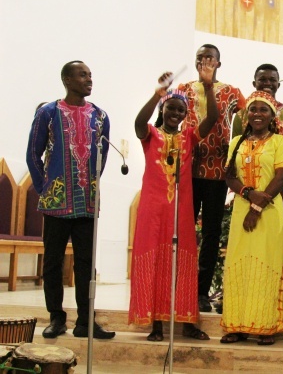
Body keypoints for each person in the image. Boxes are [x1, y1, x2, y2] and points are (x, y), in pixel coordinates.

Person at [129, 63, 219, 342]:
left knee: (182, 262)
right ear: (162, 111)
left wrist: (207, 86)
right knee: (154, 260)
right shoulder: (150, 136)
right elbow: (137, 123)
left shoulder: (189, 136)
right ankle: (155, 323)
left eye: (181, 110)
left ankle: (187, 323)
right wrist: (158, 94)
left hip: (181, 210)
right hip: (153, 209)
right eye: (171, 108)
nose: (176, 113)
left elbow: (212, 119)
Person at [26, 60, 115, 339]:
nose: (89, 79)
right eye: (82, 75)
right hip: (55, 203)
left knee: (86, 264)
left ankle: (85, 321)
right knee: (52, 262)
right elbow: (33, 153)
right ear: (66, 79)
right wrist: (46, 187)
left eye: (90, 74)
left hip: (87, 204)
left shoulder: (100, 116)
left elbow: (102, 159)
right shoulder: (48, 113)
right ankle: (56, 317)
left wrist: (90, 183)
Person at [221, 90, 283, 346]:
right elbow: (229, 175)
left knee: (265, 266)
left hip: (269, 213)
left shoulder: (279, 142)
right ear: (246, 115)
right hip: (242, 210)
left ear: (272, 115)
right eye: (253, 109)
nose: (257, 114)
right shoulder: (237, 142)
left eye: (263, 110)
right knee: (239, 264)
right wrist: (248, 194)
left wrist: (257, 207)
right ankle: (236, 324)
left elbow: (282, 174)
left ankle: (265, 326)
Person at [181, 44, 246, 313]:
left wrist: (237, 158)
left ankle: (201, 293)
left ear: (219, 63)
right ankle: (181, 289)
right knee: (184, 232)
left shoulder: (232, 92)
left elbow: (244, 125)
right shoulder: (182, 89)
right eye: (200, 58)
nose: (205, 62)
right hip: (188, 170)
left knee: (211, 233)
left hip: (218, 171)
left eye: (210, 58)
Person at [232, 63, 283, 225]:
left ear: (278, 84)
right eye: (262, 79)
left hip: (277, 193)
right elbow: (234, 153)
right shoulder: (242, 115)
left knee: (274, 238)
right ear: (254, 83)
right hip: (246, 193)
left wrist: (281, 187)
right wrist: (245, 190)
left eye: (272, 80)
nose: (267, 83)